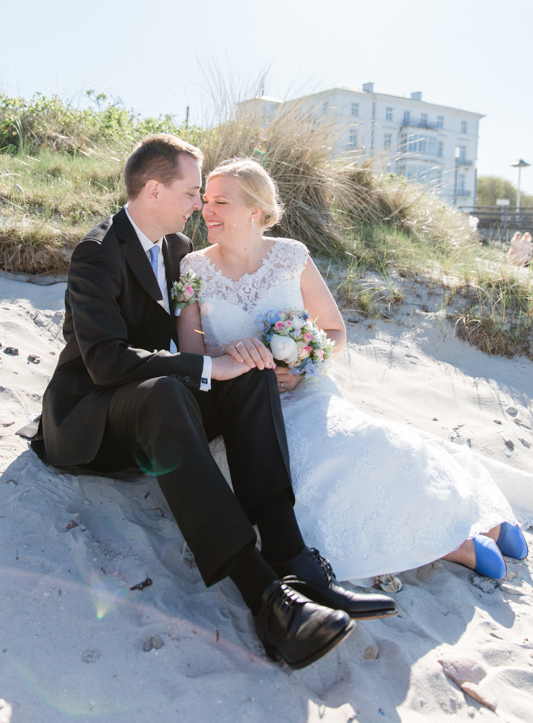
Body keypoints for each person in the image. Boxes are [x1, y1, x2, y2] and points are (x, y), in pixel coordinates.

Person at [22, 134, 398, 671]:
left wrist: (240, 359)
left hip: (157, 411)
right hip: (93, 422)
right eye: (192, 192)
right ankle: (267, 599)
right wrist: (204, 366)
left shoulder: (178, 252)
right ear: (153, 189)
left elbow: (199, 336)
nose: (200, 205)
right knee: (166, 391)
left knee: (251, 371)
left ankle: (294, 561)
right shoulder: (97, 253)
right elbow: (105, 363)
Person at [177, 158, 532, 585]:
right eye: (205, 200)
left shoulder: (291, 256)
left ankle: (475, 517)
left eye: (220, 201)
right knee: (321, 466)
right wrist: (233, 361)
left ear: (256, 211)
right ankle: (454, 543)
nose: (207, 210)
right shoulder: (194, 268)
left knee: (371, 441)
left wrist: (303, 368)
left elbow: (333, 330)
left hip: (307, 392)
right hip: (244, 410)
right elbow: (192, 354)